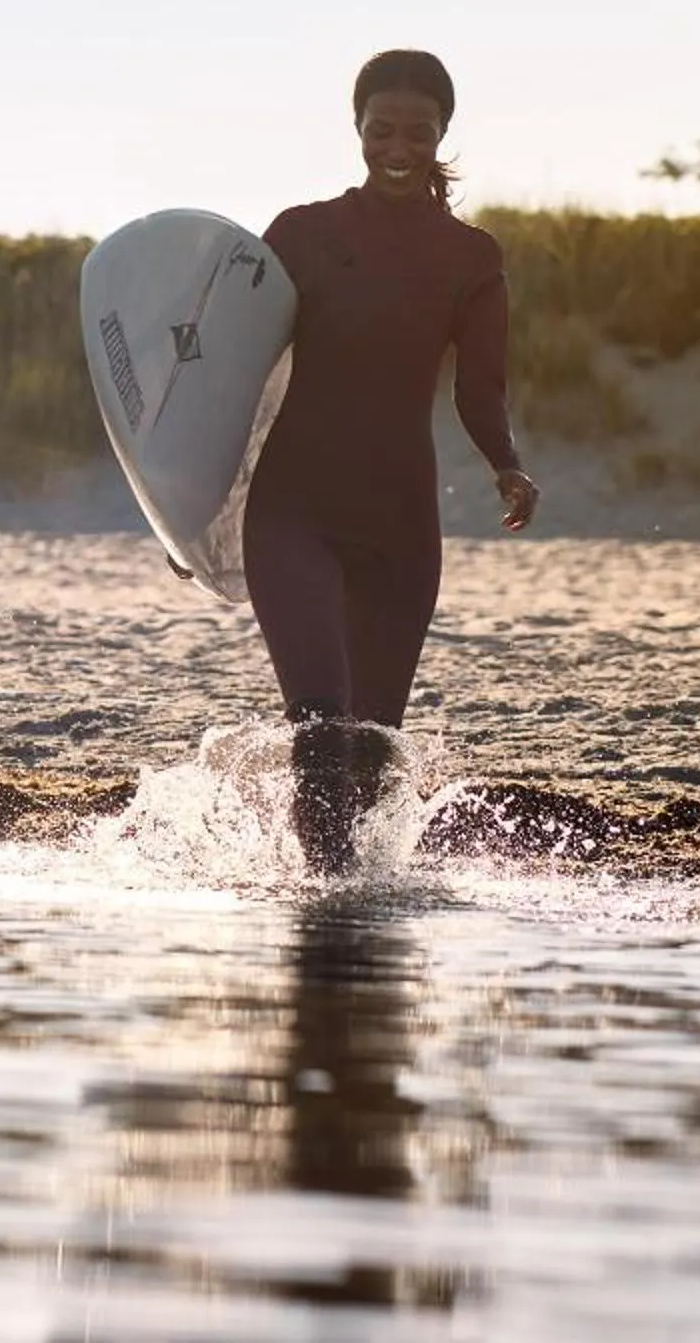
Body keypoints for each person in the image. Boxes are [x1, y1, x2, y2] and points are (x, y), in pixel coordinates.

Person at [248, 48, 540, 872]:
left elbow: (480, 388)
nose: (399, 146)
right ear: (358, 131)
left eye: (418, 130)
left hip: (400, 521)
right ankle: (324, 908)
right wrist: (187, 497)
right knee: (319, 724)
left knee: (373, 747)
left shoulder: (470, 258)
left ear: (443, 131)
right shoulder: (301, 234)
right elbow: (238, 375)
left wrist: (505, 463)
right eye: (382, 129)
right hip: (290, 512)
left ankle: (353, 903)